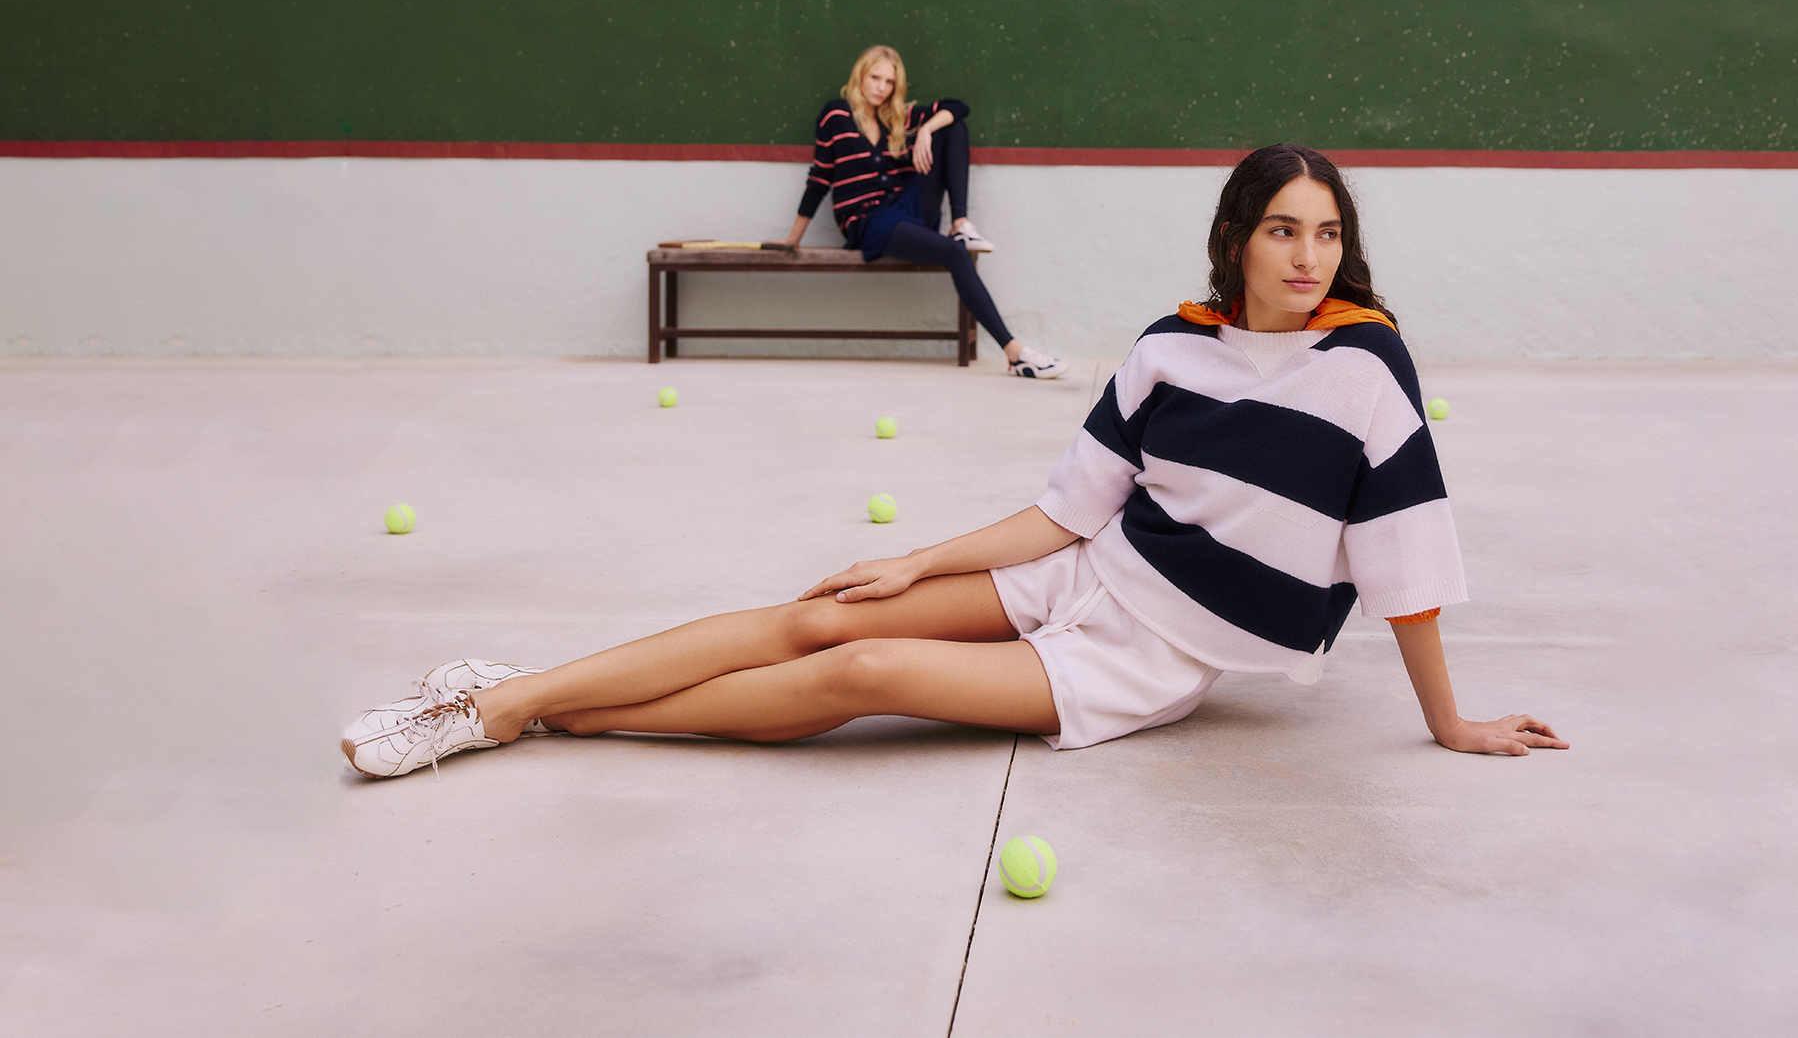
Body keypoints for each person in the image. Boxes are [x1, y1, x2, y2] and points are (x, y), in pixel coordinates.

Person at [342, 144, 1567, 778]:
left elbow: (1405, 558)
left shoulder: (1367, 369)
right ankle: (502, 700)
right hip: (1086, 571)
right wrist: (910, 558)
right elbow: (1067, 509)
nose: (1307, 256)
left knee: (860, 669)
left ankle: (534, 708)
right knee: (826, 610)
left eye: (1327, 233)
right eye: (1283, 230)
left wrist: (1449, 721)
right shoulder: (1169, 351)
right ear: (1237, 240)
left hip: (1156, 655)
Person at [766, 45, 1068, 379]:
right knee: (956, 253)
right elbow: (820, 177)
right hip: (870, 222)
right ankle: (1015, 354)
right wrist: (793, 238)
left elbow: (958, 107)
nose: (881, 87)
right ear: (860, 76)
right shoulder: (836, 115)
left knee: (951, 126)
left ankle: (961, 221)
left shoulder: (898, 118)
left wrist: (924, 129)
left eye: (889, 82)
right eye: (875, 78)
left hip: (909, 207)